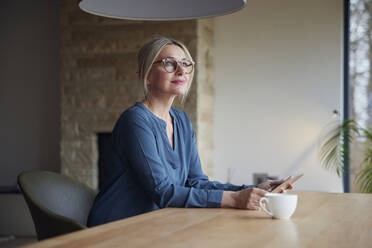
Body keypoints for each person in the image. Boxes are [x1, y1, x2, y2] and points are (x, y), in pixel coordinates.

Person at [87, 37, 292, 227]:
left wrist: (254, 190)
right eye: (169, 63)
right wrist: (236, 199)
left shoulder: (182, 121)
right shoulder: (135, 120)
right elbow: (164, 192)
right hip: (117, 228)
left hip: (156, 224)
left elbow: (197, 182)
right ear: (146, 74)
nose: (181, 70)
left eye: (186, 64)